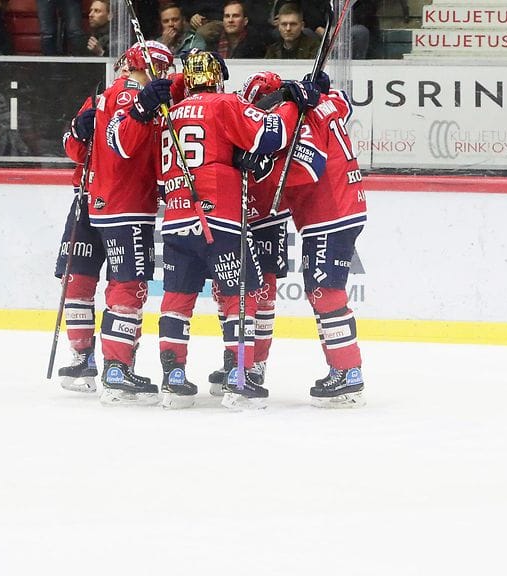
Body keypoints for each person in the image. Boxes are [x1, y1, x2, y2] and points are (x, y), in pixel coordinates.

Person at [150, 51, 321, 409]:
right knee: (238, 298)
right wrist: (292, 103)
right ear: (217, 77)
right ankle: (238, 376)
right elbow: (270, 135)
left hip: (177, 219)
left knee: (177, 300)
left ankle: (173, 378)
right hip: (219, 219)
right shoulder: (224, 103)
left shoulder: (170, 112)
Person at [237, 70, 368, 408]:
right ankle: (344, 369)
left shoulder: (299, 117)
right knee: (319, 291)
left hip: (329, 212)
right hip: (341, 207)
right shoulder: (323, 103)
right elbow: (343, 104)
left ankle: (348, 371)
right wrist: (322, 90)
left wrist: (263, 166)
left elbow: (309, 167)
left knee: (326, 292)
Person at [90, 40, 176, 406]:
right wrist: (144, 107)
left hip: (119, 202)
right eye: (165, 68)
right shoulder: (129, 94)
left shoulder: (121, 91)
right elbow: (122, 145)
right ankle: (115, 367)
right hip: (125, 205)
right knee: (128, 287)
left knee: (129, 285)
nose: (170, 76)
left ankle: (118, 363)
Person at [53, 87, 106, 393]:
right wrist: (78, 132)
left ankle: (120, 363)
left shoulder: (153, 102)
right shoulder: (97, 101)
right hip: (85, 200)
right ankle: (82, 357)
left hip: (126, 204)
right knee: (76, 281)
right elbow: (73, 150)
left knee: (124, 289)